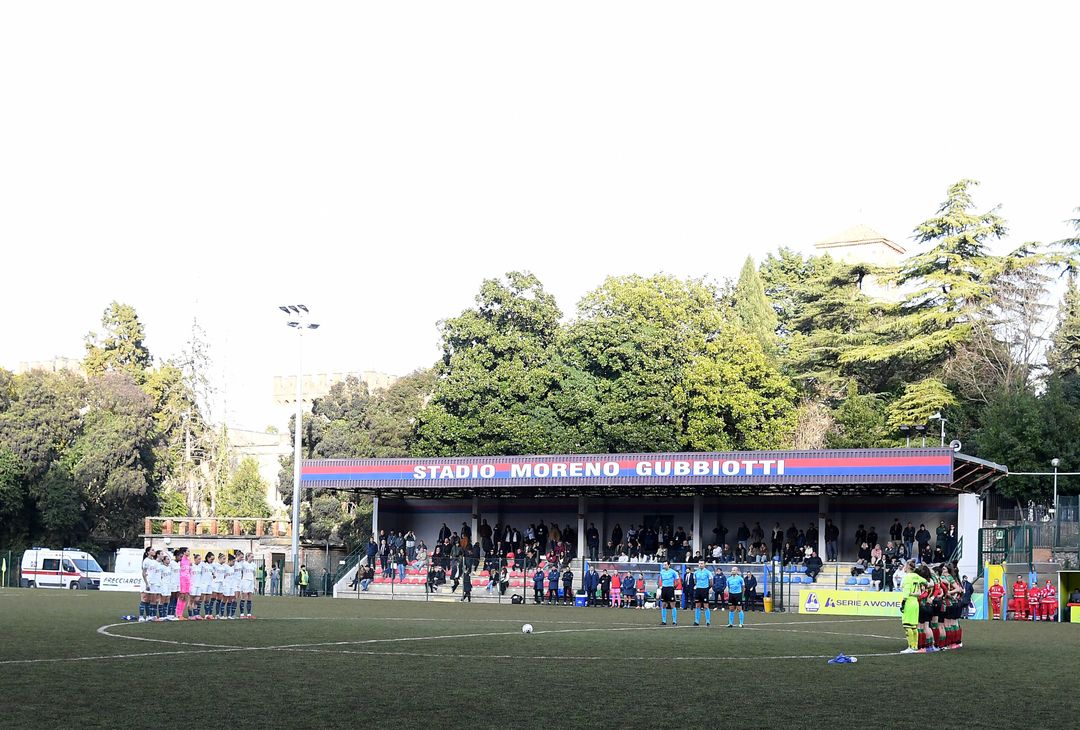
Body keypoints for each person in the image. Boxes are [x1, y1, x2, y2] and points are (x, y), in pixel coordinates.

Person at [899, 560, 927, 653]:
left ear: (907, 567)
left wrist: (903, 602)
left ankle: (911, 647)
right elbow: (927, 582)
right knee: (914, 626)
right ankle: (915, 646)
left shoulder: (907, 578)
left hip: (909, 602)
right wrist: (919, 592)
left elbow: (906, 593)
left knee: (907, 626)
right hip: (915, 603)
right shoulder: (916, 576)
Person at [657, 561, 679, 626]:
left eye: (665, 564)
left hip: (670, 589)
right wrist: (660, 586)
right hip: (664, 589)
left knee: (672, 605)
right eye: (664, 564)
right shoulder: (662, 572)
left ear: (669, 565)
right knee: (663, 605)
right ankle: (664, 621)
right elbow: (660, 580)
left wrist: (674, 587)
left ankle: (674, 621)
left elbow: (677, 581)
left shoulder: (673, 572)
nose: (664, 566)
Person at [692, 560, 713, 626]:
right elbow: (695, 581)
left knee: (706, 606)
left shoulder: (708, 572)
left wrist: (707, 588)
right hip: (698, 590)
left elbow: (711, 582)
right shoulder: (696, 572)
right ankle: (696, 621)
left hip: (705, 590)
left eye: (702, 563)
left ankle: (708, 621)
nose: (700, 565)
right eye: (699, 563)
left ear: (704, 564)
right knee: (697, 605)